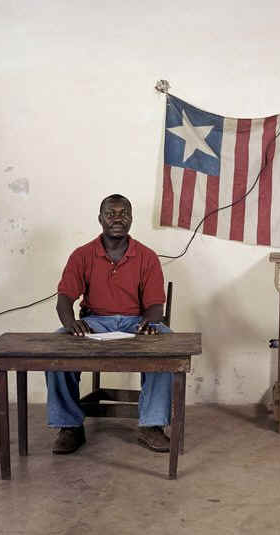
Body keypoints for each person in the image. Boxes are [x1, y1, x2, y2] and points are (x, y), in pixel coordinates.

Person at [46, 194, 172, 454]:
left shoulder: (146, 256)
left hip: (136, 323)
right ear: (100, 219)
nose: (117, 218)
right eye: (110, 213)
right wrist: (70, 323)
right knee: (55, 348)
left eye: (124, 213)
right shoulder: (82, 255)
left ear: (131, 219)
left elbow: (155, 305)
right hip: (95, 322)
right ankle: (69, 426)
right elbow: (64, 298)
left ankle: (151, 425)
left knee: (166, 346)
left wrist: (150, 322)